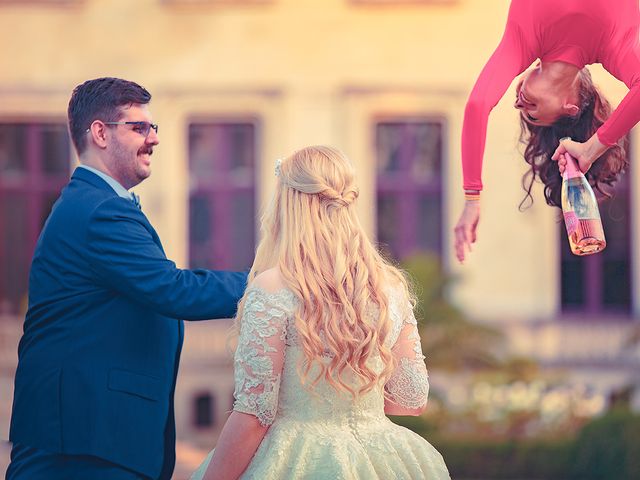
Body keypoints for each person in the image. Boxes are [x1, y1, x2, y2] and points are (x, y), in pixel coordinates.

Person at [7, 77, 247, 480]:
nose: (153, 139)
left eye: (153, 127)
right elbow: (175, 292)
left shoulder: (93, 204)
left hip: (94, 439)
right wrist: (276, 281)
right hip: (86, 447)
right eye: (138, 128)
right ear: (99, 133)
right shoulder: (100, 211)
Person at [190, 146, 450, 480]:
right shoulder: (390, 288)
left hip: (294, 459)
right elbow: (411, 399)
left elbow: (254, 415)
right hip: (384, 457)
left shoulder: (272, 288)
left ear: (289, 204)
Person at [455, 0, 638, 263]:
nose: (518, 103)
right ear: (570, 107)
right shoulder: (613, 44)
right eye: (532, 115)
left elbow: (477, 104)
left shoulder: (523, 38)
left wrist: (472, 197)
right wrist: (593, 146)